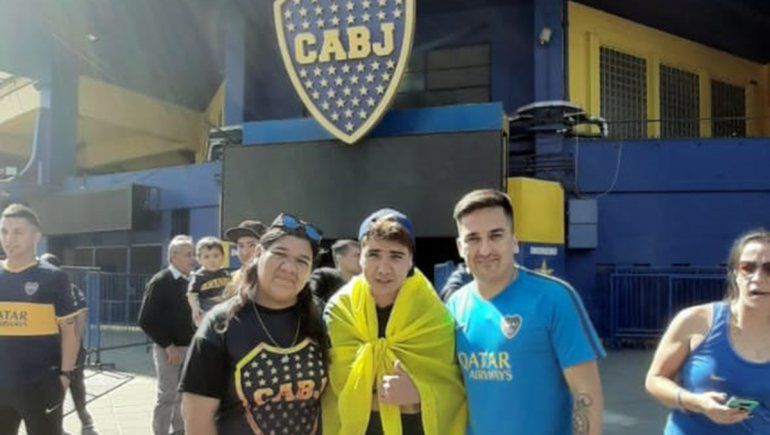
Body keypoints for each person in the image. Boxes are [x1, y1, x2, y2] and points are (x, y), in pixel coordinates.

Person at [446, 189, 605, 435]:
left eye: (495, 236)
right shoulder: (454, 307)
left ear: (514, 241)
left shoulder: (554, 298)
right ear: (460, 247)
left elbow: (586, 394)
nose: (485, 249)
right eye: (473, 239)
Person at [180, 213, 328, 434]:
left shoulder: (322, 319)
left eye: (302, 261)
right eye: (280, 254)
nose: (289, 267)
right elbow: (197, 419)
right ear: (258, 254)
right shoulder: (220, 324)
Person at [323, 208, 467, 435]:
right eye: (374, 254)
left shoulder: (433, 316)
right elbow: (329, 387)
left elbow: (455, 389)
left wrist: (419, 393)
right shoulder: (339, 311)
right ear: (360, 257)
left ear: (410, 261)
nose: (383, 269)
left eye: (396, 256)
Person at [645, 229, 770, 434]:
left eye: (769, 268)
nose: (757, 277)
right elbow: (655, 379)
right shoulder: (696, 321)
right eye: (747, 267)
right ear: (735, 274)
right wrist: (695, 402)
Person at [0, 204, 79, 435]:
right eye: (4, 231)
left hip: (40, 386)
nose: (9, 239)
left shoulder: (54, 277)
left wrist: (65, 375)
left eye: (18, 232)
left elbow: (70, 332)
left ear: (36, 236)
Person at [138, 235, 197, 435]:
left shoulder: (193, 281)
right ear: (173, 256)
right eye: (188, 254)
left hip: (190, 348)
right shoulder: (161, 281)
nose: (193, 258)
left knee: (183, 395)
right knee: (167, 396)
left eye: (193, 254)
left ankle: (179, 431)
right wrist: (168, 345)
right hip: (169, 350)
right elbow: (145, 319)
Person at [40, 253, 97, 435]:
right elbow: (82, 318)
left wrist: (74, 345)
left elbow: (80, 318)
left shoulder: (59, 290)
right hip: (60, 349)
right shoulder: (71, 288)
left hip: (60, 349)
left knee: (64, 388)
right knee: (74, 386)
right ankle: (80, 423)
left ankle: (75, 424)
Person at [187, 237, 231, 326]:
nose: (212, 260)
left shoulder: (226, 274)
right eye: (206, 257)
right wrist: (195, 308)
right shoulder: (198, 276)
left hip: (225, 309)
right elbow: (191, 294)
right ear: (199, 259)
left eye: (216, 256)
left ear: (223, 257)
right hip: (207, 310)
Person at [222, 220, 267, 300]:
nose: (245, 252)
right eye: (241, 246)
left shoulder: (271, 277)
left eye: (252, 245)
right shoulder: (232, 277)